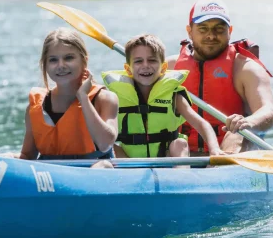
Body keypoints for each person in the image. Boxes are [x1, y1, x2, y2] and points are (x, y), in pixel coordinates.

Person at [167, 0, 273, 154]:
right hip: (182, 150)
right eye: (203, 29)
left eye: (219, 29)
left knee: (235, 135)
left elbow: (269, 112)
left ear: (229, 31)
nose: (211, 36)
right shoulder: (169, 68)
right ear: (189, 32)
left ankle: (220, 170)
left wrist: (247, 122)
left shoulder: (246, 68)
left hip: (231, 148)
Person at [101, 34, 224, 159]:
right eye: (138, 61)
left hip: (166, 159)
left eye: (152, 60)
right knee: (111, 147)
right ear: (128, 69)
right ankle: (126, 175)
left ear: (164, 67)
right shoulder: (115, 97)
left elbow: (201, 124)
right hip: (131, 161)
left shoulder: (174, 96)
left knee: (179, 143)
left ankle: (182, 175)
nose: (145, 65)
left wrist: (215, 149)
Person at [19, 27, 119, 168]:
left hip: (97, 174)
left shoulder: (105, 99)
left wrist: (83, 98)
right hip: (51, 179)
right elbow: (27, 157)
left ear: (84, 60)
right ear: (45, 65)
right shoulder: (35, 108)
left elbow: (105, 144)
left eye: (69, 58)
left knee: (104, 166)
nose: (61, 66)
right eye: (53, 60)